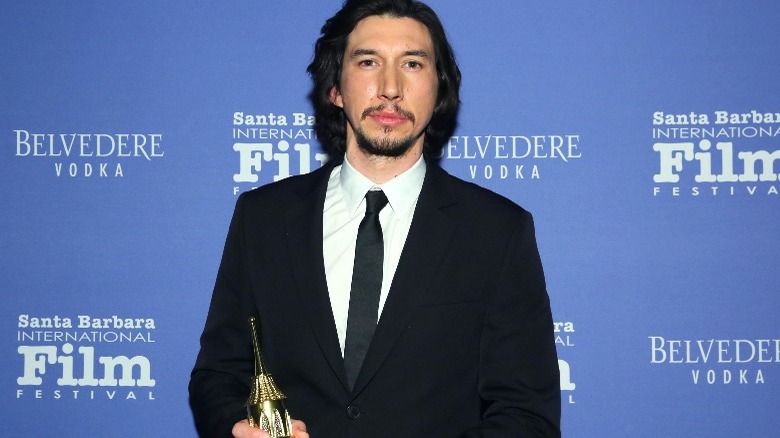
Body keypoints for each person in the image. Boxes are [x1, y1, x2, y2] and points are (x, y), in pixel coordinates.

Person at [189, 0, 561, 436]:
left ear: (439, 89)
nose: (390, 87)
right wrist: (236, 428)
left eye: (413, 64)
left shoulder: (496, 230)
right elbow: (218, 373)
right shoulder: (264, 218)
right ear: (335, 88)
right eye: (368, 62)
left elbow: (525, 413)